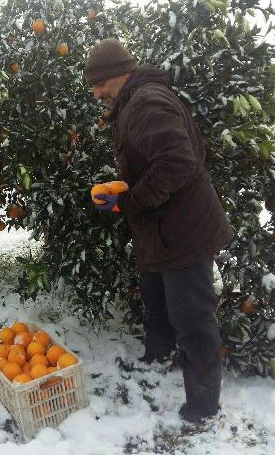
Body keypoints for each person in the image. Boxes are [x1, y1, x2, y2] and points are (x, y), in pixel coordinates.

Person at [84, 39, 232, 423]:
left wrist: (129, 201)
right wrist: (125, 193)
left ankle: (202, 408)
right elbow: (157, 163)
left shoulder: (145, 103)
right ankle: (156, 361)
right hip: (161, 231)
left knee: (193, 318)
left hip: (183, 232)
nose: (98, 93)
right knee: (158, 302)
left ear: (117, 74)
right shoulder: (136, 101)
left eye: (99, 83)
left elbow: (177, 163)